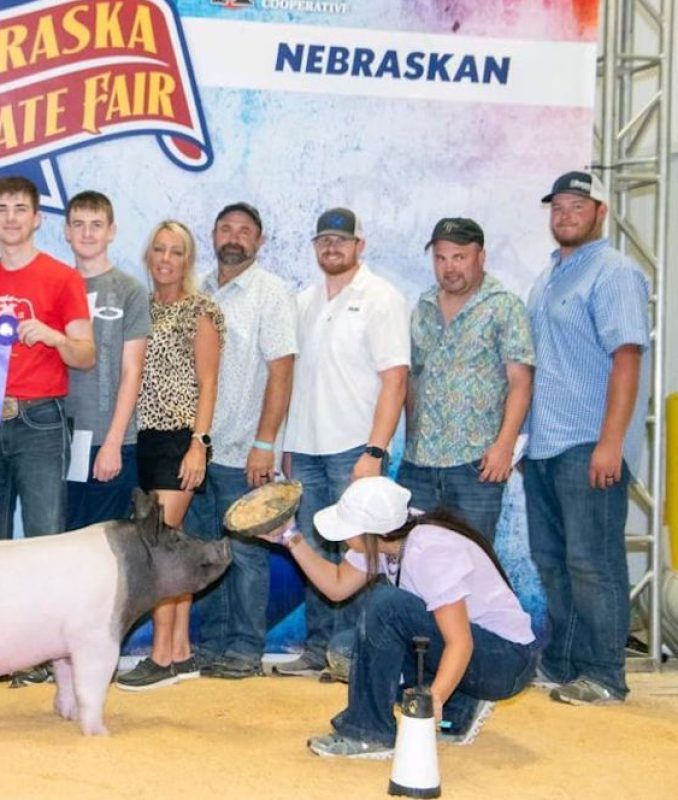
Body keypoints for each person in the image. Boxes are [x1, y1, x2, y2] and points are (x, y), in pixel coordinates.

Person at [252, 477, 536, 758]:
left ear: (371, 533)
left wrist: (431, 701)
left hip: (505, 660)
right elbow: (337, 586)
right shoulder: (389, 536)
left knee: (386, 604)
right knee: (346, 652)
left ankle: (368, 733)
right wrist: (289, 537)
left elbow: (460, 643)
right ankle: (460, 708)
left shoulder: (430, 550)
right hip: (475, 652)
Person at [524, 171, 650, 706]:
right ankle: (565, 661)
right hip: (544, 445)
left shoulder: (615, 272)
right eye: (559, 205)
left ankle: (604, 672)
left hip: (588, 442)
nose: (566, 213)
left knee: (593, 561)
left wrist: (611, 444)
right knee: (552, 560)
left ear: (601, 211)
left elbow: (627, 359)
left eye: (578, 204)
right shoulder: (551, 274)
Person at [277, 208, 409, 679]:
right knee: (311, 547)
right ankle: (318, 650)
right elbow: (295, 381)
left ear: (360, 245)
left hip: (356, 449)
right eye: (324, 240)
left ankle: (355, 653)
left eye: (342, 239)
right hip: (306, 449)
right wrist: (289, 446)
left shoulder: (382, 298)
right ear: (314, 247)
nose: (332, 247)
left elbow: (395, 380)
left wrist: (374, 451)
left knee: (359, 552)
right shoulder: (304, 301)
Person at [185, 202, 297, 680]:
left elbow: (281, 370)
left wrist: (265, 443)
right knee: (204, 550)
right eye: (226, 228)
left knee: (248, 554)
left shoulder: (272, 294)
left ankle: (246, 648)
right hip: (196, 449)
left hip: (242, 447)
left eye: (245, 231)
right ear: (213, 234)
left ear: (260, 241)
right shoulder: (198, 290)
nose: (234, 237)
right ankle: (209, 643)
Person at [115, 220, 224, 691]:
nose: (165, 258)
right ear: (147, 255)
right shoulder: (139, 309)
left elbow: (209, 383)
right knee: (169, 544)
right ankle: (179, 652)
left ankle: (162, 656)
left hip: (180, 438)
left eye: (175, 251)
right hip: (146, 438)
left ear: (188, 259)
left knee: (159, 549)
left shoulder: (201, 311)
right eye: (158, 249)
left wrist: (198, 444)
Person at [0, 175, 95, 542]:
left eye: (21, 208)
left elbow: (86, 355)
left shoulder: (64, 278)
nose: (11, 217)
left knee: (44, 540)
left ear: (37, 218)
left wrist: (55, 338)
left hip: (42, 425)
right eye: (1, 209)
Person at [400, 217, 533, 541]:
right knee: (413, 562)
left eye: (459, 257)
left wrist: (504, 447)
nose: (449, 267)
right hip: (419, 464)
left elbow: (521, 381)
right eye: (441, 258)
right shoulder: (424, 306)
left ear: (480, 257)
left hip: (476, 465)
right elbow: (411, 379)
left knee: (474, 563)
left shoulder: (504, 307)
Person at [62, 191, 149, 528]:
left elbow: (132, 371)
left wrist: (113, 442)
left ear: (111, 231)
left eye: (96, 225)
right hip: (59, 440)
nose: (87, 233)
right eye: (79, 224)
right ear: (67, 231)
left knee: (103, 550)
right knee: (61, 543)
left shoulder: (130, 291)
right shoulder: (55, 285)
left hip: (110, 440)